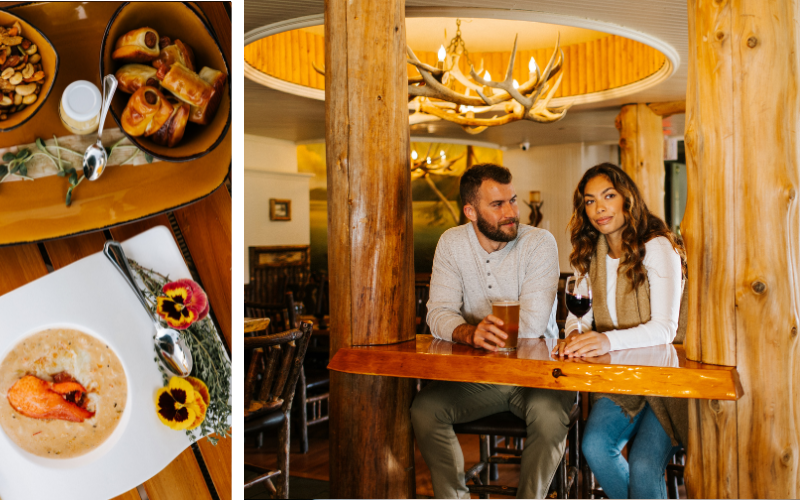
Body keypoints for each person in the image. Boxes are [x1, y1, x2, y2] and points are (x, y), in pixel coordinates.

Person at [411, 163, 576, 499]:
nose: (512, 212)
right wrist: (468, 333)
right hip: (480, 376)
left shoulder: (538, 243)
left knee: (549, 420)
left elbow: (529, 326)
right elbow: (438, 313)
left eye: (513, 201)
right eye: (498, 205)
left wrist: (475, 328)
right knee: (424, 410)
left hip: (539, 376)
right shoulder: (452, 243)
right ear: (470, 211)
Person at [554, 162, 688, 499]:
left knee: (644, 467)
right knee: (595, 446)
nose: (599, 208)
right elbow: (578, 314)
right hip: (619, 379)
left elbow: (665, 329)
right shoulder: (589, 251)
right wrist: (575, 333)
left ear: (627, 198)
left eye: (608, 196)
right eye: (589, 200)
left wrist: (604, 340)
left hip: (663, 381)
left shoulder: (657, 247)